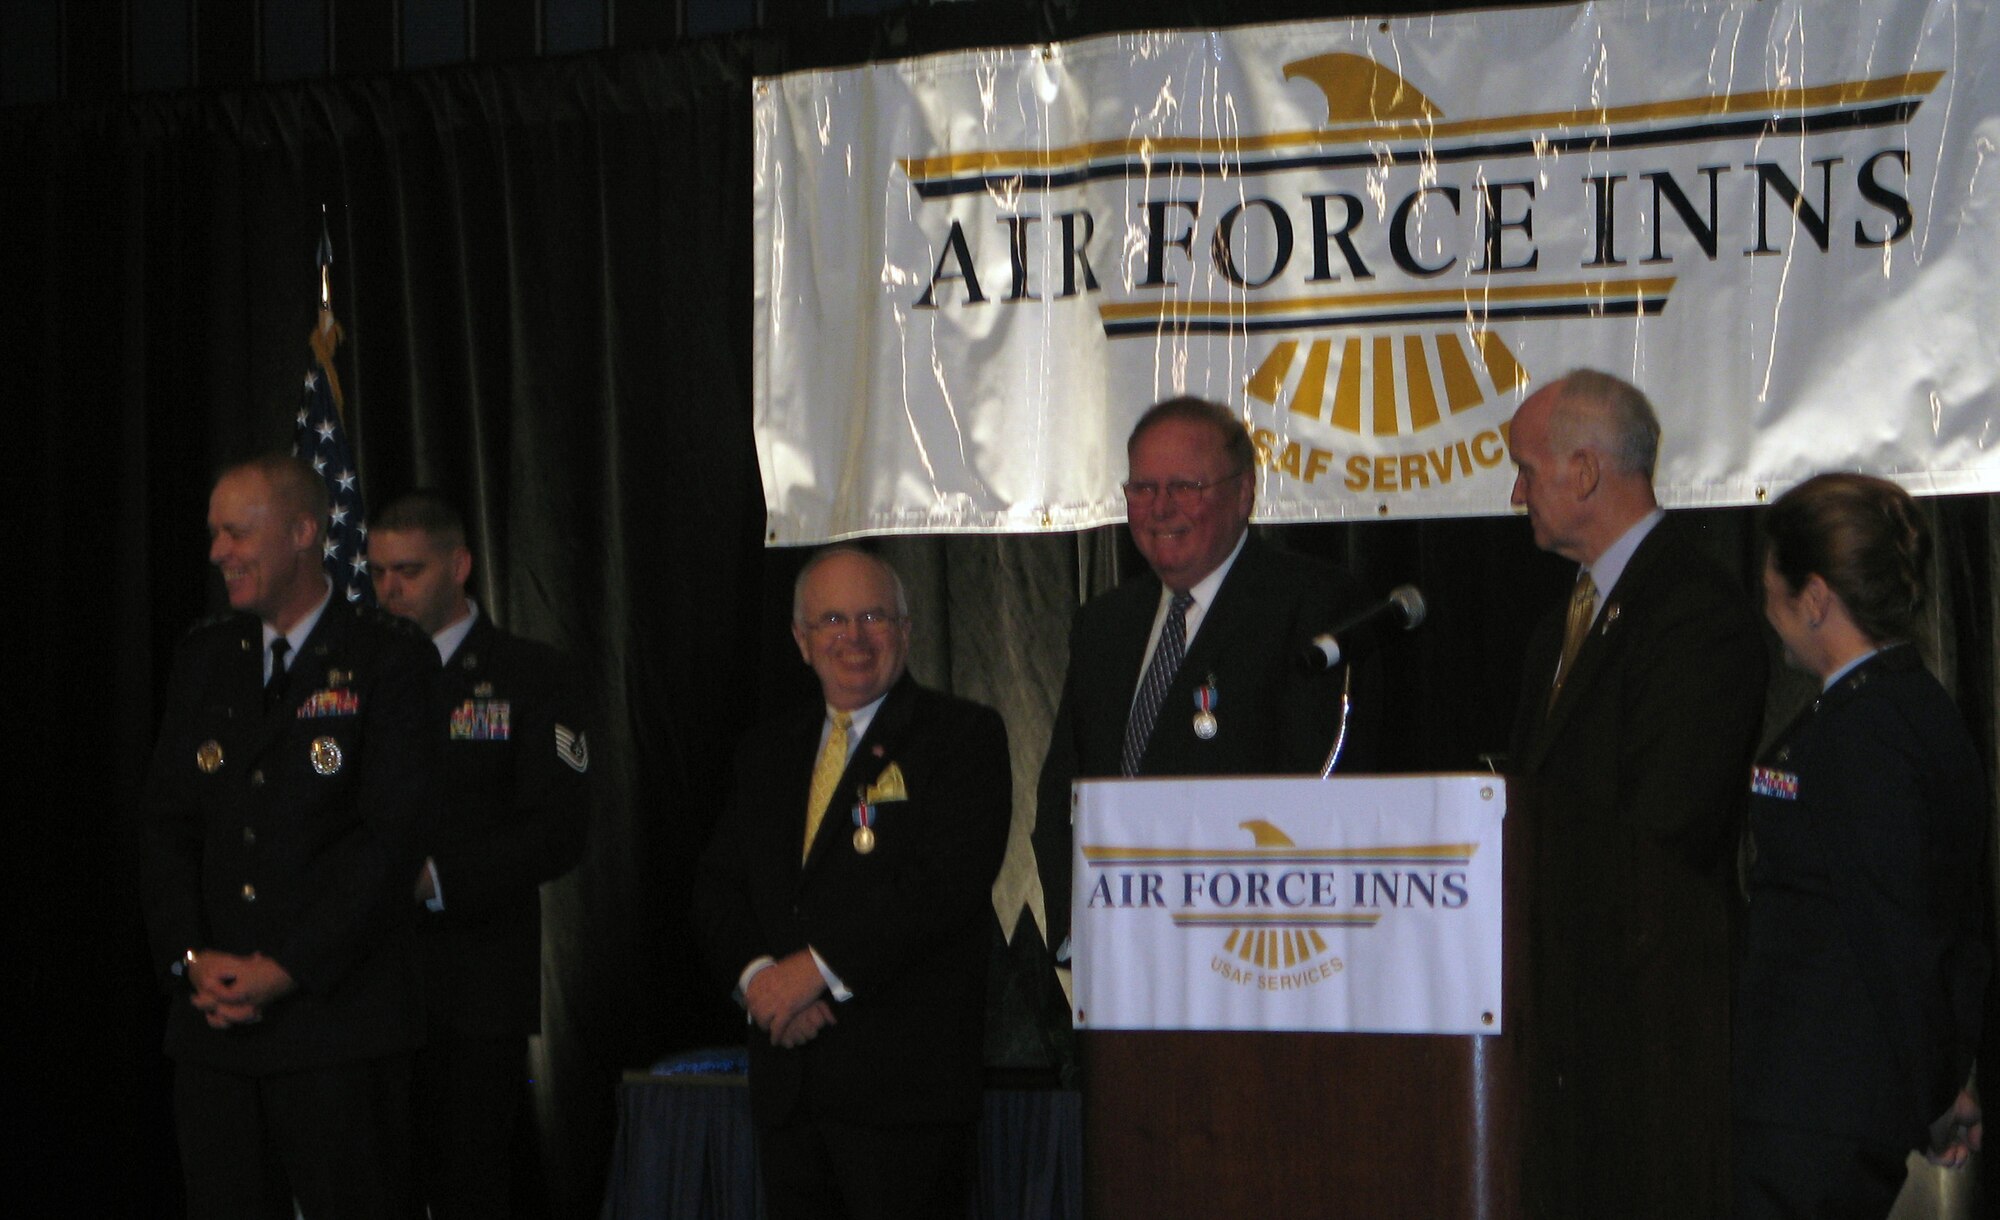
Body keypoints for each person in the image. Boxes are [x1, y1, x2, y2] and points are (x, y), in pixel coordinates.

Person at [140, 454, 437, 1219]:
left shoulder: (389, 657)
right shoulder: (204, 657)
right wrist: (191, 958)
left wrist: (287, 967)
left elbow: (390, 841)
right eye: (215, 534)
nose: (217, 553)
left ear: (304, 532)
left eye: (237, 533)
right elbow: (167, 827)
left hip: (337, 1028)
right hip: (215, 1033)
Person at [1505, 369, 1767, 1218]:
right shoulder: (1558, 624)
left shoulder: (1691, 610)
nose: (1516, 495)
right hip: (1564, 1018)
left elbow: (1668, 827)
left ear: (1583, 472)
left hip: (1653, 1019)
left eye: (1527, 469)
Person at [692, 548, 1012, 1219]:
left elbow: (941, 888)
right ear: (800, 641)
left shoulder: (963, 737)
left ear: (906, 628)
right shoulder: (765, 751)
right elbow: (720, 889)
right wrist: (762, 983)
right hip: (790, 1083)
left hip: (903, 1098)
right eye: (832, 620)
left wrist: (814, 970)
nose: (853, 637)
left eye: (873, 616)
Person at [1032, 395, 1377, 962]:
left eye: (1185, 487)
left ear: (1244, 493)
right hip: (1118, 961)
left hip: (1250, 957)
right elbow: (1064, 791)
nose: (1160, 508)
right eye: (1142, 489)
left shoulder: (1312, 605)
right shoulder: (1104, 625)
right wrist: (1079, 931)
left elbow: (1316, 792)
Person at [1734, 472, 1990, 1218]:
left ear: (1815, 598)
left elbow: (1899, 931)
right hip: (1829, 1105)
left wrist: (1937, 1091)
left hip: (1812, 1109)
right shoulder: (1907, 709)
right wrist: (1942, 1083)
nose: (1769, 610)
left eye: (1773, 589)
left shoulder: (1865, 731)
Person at [370, 490, 592, 1220]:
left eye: (408, 570)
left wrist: (439, 879)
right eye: (377, 573)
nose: (389, 590)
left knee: (470, 1190)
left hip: (474, 992)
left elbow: (558, 829)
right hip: (364, 987)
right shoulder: (357, 676)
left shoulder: (530, 675)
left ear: (460, 565)